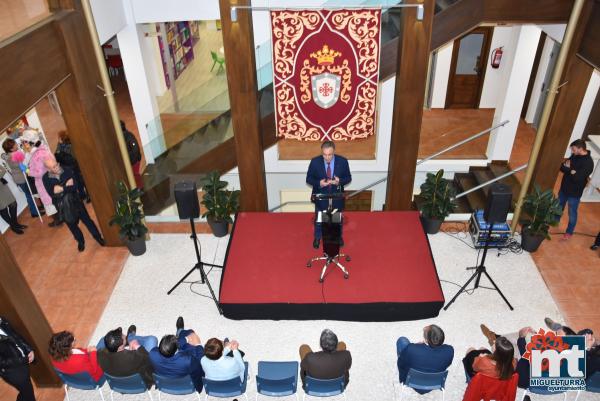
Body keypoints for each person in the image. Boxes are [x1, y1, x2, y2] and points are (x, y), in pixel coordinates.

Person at [42, 159, 105, 252]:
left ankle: (98, 237)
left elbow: (75, 186)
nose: (57, 167)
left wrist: (61, 189)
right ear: (48, 169)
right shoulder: (45, 178)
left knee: (87, 220)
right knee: (72, 226)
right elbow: (52, 193)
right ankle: (80, 241)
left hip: (76, 201)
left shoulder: (67, 170)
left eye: (57, 164)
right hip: (63, 207)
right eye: (54, 167)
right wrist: (66, 186)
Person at [306, 141, 352, 249]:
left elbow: (348, 178)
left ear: (334, 152)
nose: (327, 157)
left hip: (336, 197)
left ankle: (338, 237)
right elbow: (308, 179)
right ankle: (317, 237)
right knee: (319, 219)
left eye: (330, 154)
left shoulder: (343, 161)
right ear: (322, 152)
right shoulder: (315, 162)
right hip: (321, 196)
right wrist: (319, 183)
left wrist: (339, 181)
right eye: (324, 155)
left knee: (336, 219)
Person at [149, 317, 204, 392]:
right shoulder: (188, 360)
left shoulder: (153, 354)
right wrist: (198, 345)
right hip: (186, 384)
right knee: (190, 333)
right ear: (177, 349)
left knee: (187, 336)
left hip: (164, 382)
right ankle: (180, 331)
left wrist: (186, 339)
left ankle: (180, 331)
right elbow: (200, 362)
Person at [20, 130, 61, 227]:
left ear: (29, 143)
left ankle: (58, 220)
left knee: (50, 203)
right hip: (50, 180)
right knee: (53, 200)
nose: (23, 145)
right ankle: (60, 217)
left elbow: (38, 172)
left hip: (44, 183)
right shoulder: (42, 150)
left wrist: (27, 171)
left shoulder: (38, 154)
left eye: (24, 142)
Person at [396, 325, 454, 391]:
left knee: (402, 340)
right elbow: (447, 364)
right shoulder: (450, 350)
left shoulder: (411, 348)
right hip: (435, 382)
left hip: (410, 381)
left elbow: (401, 364)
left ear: (426, 339)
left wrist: (417, 347)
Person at [558, 139, 594, 240]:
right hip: (564, 188)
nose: (572, 152)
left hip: (574, 193)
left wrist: (569, 169)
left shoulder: (588, 163)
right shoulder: (575, 155)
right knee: (558, 206)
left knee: (572, 212)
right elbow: (562, 167)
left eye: (573, 149)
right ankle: (554, 221)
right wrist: (571, 171)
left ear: (580, 149)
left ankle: (569, 232)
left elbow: (578, 178)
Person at [2, 139, 42, 218]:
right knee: (29, 195)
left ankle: (35, 209)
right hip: (21, 178)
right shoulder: (13, 156)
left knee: (29, 194)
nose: (16, 144)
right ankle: (34, 212)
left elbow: (3, 155)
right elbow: (22, 166)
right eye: (14, 144)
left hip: (19, 178)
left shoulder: (9, 155)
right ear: (11, 148)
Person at [0, 316, 36, 401]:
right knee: (27, 392)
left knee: (27, 391)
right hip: (12, 371)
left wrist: (28, 349)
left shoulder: (1, 320)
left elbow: (15, 336)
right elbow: (2, 363)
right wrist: (23, 360)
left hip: (22, 363)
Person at [54, 131, 89, 202]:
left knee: (81, 181)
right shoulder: (60, 146)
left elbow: (73, 158)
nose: (58, 139)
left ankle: (88, 195)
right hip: (68, 168)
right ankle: (82, 195)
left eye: (59, 137)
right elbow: (56, 155)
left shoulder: (70, 146)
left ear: (62, 138)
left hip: (75, 167)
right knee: (77, 182)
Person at [0, 164, 26, 235]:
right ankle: (13, 226)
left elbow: (3, 170)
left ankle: (15, 223)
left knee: (13, 203)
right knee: (3, 209)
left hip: (2, 186)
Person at [120, 121, 143, 189]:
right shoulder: (128, 135)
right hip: (132, 161)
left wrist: (132, 160)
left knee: (135, 177)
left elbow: (135, 149)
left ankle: (140, 190)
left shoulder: (127, 136)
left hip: (133, 162)